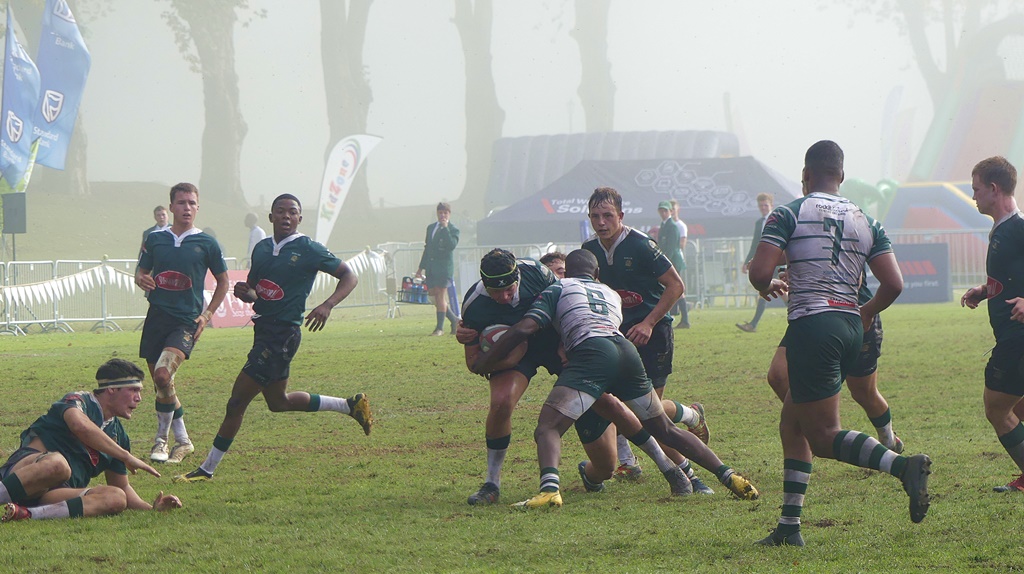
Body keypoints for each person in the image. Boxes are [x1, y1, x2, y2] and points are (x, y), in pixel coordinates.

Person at [748, 140, 931, 547]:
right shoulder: (866, 219)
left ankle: (904, 467)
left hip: (813, 326)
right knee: (792, 422)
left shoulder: (789, 212)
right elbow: (895, 283)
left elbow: (760, 271)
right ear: (842, 177)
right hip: (851, 324)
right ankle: (789, 527)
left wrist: (768, 284)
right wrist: (864, 313)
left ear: (805, 175)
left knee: (824, 436)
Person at [473, 250, 759, 508]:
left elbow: (526, 327)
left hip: (591, 355)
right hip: (625, 351)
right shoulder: (610, 293)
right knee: (665, 429)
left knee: (548, 427)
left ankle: (549, 490)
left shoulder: (559, 287)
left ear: (568, 273)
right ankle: (729, 476)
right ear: (597, 275)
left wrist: (484, 362)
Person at [174, 194, 372, 483]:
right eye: (280, 211)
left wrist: (327, 305)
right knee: (278, 402)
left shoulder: (309, 249)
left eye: (292, 212)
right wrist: (247, 294)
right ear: (271, 217)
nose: (286, 216)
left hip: (282, 335)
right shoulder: (263, 248)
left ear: (300, 218)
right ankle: (349, 405)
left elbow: (349, 276)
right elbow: (255, 291)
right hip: (263, 330)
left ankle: (207, 469)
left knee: (236, 402)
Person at [583, 187, 709, 482]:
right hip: (616, 336)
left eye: (607, 216)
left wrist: (649, 323)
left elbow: (676, 286)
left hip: (654, 335)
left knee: (647, 410)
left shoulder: (641, 245)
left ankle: (690, 416)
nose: (601, 222)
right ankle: (628, 460)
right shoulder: (589, 250)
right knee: (616, 399)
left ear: (621, 216)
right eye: (595, 216)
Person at [0, 358, 183, 522]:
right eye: (133, 390)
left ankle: (27, 514)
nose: (139, 398)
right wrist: (125, 456)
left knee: (117, 497)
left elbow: (123, 486)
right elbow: (81, 427)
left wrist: (151, 509)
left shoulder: (119, 435)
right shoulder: (77, 400)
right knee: (58, 466)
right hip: (25, 475)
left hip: (54, 494)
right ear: (111, 389)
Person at [135, 182, 230, 465]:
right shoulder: (155, 239)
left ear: (198, 207)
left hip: (187, 322)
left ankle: (161, 441)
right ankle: (184, 441)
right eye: (181, 203)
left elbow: (224, 281)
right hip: (156, 318)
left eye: (192, 203)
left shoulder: (207, 243)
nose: (187, 208)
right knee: (163, 385)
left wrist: (207, 315)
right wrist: (140, 278)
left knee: (163, 376)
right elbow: (141, 270)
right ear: (171, 207)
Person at [767, 269, 904, 454]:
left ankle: (888, 440)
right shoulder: (791, 241)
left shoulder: (849, 240)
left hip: (854, 315)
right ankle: (813, 434)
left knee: (863, 392)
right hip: (810, 318)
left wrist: (804, 276)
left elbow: (857, 277)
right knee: (778, 375)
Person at [960, 156, 1024, 494]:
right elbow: (1013, 278)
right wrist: (985, 291)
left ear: (994, 189)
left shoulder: (1018, 227)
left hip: (1017, 337)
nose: (974, 197)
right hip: (1011, 335)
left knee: (997, 408)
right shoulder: (1002, 230)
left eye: (977, 189)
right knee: (1018, 407)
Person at [415, 202, 460, 336]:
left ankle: (439, 328)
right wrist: (420, 268)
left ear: (449, 214)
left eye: (445, 213)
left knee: (441, 295)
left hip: (443, 269)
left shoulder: (453, 229)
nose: (443, 215)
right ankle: (454, 319)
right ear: (437, 213)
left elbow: (451, 245)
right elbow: (427, 248)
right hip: (431, 268)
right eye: (440, 213)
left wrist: (445, 229)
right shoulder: (431, 228)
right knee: (433, 296)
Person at [738, 193, 775, 333]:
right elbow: (755, 243)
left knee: (775, 291)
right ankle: (753, 324)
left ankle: (753, 324)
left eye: (766, 205)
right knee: (766, 291)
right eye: (761, 205)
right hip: (767, 262)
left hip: (776, 261)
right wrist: (747, 260)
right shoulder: (759, 223)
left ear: (771, 205)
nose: (763, 208)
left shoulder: (776, 219)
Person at [668, 199, 691, 329]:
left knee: (678, 287)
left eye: (673, 208)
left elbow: (682, 244)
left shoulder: (680, 225)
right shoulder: (667, 225)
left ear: (678, 209)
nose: (671, 211)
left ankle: (685, 319)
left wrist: (671, 251)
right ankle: (677, 313)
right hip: (670, 259)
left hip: (675, 260)